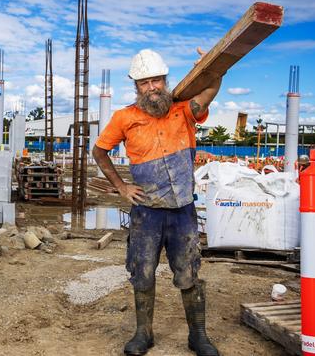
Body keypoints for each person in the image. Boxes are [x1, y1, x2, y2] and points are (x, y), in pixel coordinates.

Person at [92, 49, 222, 356]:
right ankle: (143, 334)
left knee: (189, 271)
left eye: (157, 80)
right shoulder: (124, 117)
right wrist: (121, 186)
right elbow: (99, 152)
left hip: (182, 213)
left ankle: (198, 336)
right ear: (136, 86)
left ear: (166, 81)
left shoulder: (183, 111)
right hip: (146, 213)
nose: (152, 87)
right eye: (144, 82)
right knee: (143, 272)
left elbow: (209, 91)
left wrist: (211, 69)